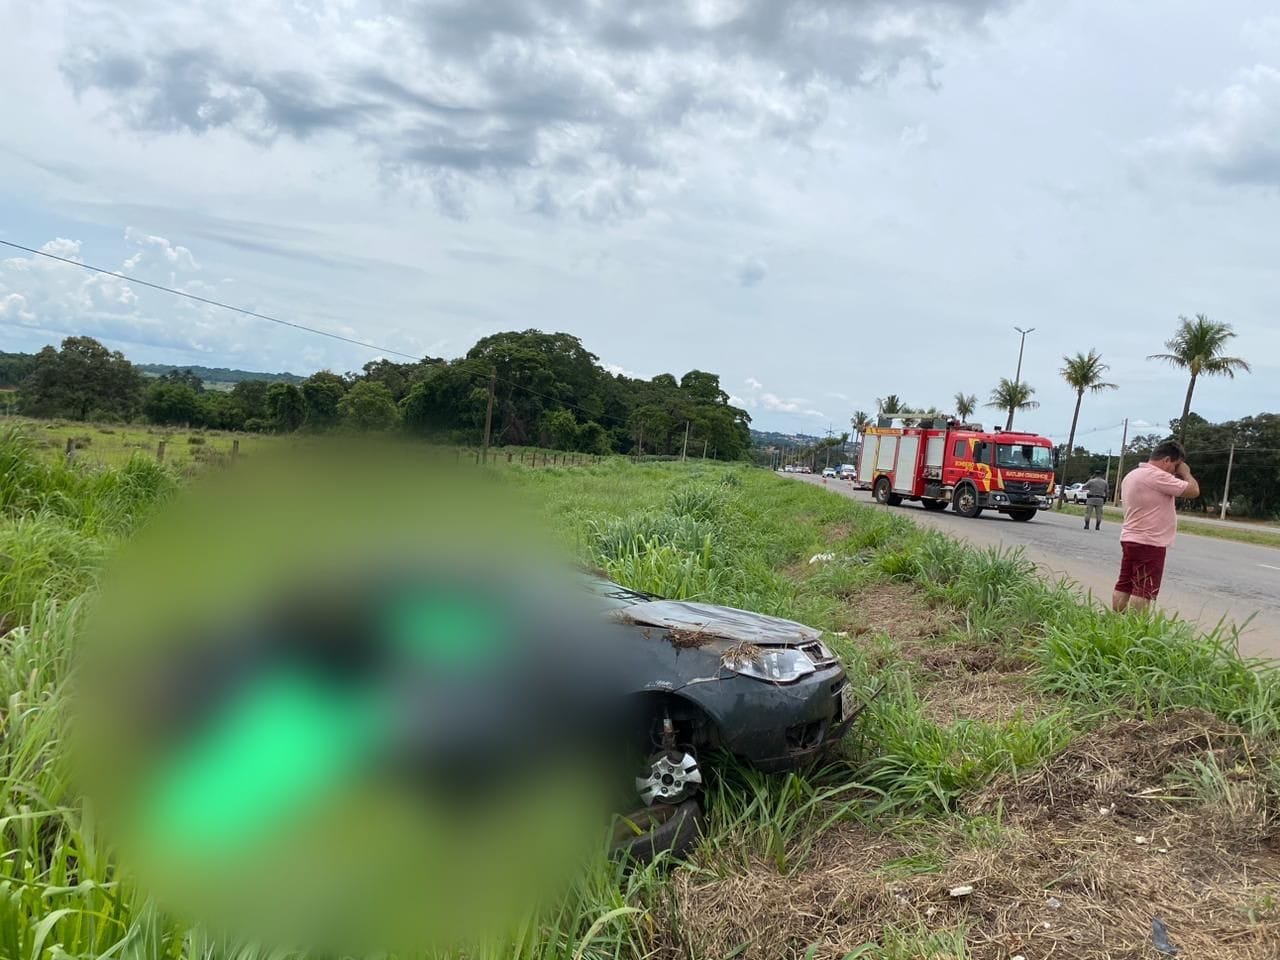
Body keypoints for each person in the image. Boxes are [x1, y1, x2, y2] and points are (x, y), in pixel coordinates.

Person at [1112, 440, 1199, 613]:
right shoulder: (1157, 476)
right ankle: (1135, 629)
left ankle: (1116, 622)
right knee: (1143, 590)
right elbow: (1193, 491)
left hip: (1130, 537)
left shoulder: (1133, 475)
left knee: (1125, 584)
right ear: (1166, 460)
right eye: (1175, 466)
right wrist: (1186, 473)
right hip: (1150, 541)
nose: (1175, 471)